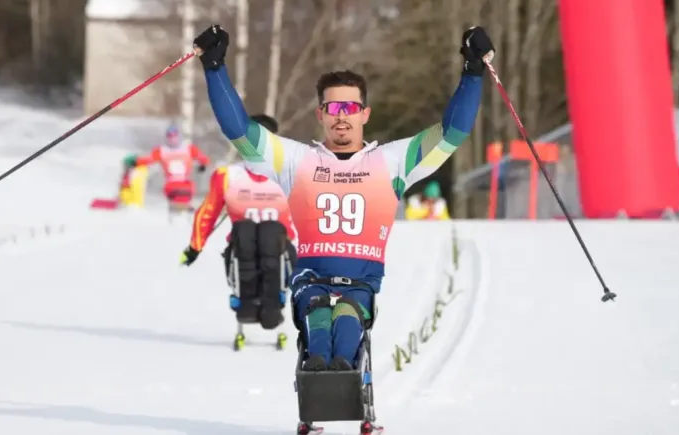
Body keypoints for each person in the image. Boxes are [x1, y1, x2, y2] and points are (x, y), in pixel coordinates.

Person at [193, 23, 493, 433]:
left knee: (348, 320)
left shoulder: (392, 162)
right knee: (319, 319)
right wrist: (215, 68)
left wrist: (473, 72)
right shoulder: (295, 161)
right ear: (320, 114)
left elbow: (452, 134)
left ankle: (347, 390)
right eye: (333, 109)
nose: (342, 118)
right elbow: (240, 131)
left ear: (365, 114)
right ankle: (317, 393)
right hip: (311, 279)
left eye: (350, 108)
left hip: (359, 284)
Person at [180, 114, 298, 351]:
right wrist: (195, 247)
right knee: (246, 231)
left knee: (271, 232)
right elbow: (207, 213)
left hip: (279, 247)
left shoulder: (291, 174)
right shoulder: (228, 176)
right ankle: (247, 303)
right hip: (242, 246)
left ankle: (272, 305)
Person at [124, 124, 210, 212]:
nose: (172, 139)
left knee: (184, 199)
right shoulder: (162, 150)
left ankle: (184, 211)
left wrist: (203, 165)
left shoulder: (188, 149)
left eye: (174, 136)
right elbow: (149, 159)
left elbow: (202, 158)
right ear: (166, 137)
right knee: (176, 202)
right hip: (171, 184)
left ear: (179, 136)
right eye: (169, 136)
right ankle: (177, 212)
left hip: (186, 183)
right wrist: (135, 162)